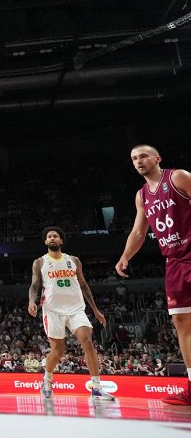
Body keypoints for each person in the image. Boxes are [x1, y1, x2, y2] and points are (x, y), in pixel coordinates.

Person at [115, 144, 191, 406]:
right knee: (182, 324)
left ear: (158, 158)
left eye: (143, 156)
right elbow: (138, 232)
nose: (138, 161)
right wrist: (125, 256)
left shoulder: (179, 176)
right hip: (174, 261)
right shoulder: (142, 195)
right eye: (134, 158)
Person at [28, 226, 114, 401]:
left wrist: (95, 310)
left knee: (88, 341)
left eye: (55, 236)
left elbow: (83, 285)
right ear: (46, 241)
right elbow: (35, 284)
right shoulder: (40, 262)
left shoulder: (73, 260)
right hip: (52, 310)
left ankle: (96, 388)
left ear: (61, 240)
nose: (52, 238)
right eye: (49, 236)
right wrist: (31, 301)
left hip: (75, 309)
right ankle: (47, 379)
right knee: (58, 352)